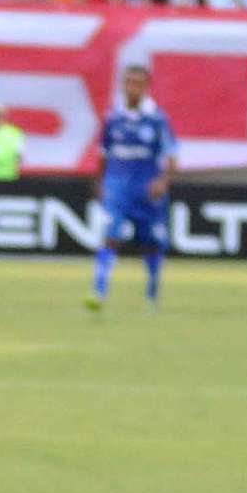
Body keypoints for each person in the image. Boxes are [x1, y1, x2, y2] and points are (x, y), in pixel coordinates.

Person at [86, 62, 176, 312]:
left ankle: (151, 293)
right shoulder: (113, 117)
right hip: (117, 186)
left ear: (146, 87)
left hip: (146, 188)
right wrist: (100, 181)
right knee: (111, 235)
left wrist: (162, 181)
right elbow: (103, 152)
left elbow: (171, 155)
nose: (132, 88)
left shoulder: (157, 119)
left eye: (138, 83)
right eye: (128, 82)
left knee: (150, 242)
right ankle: (99, 292)